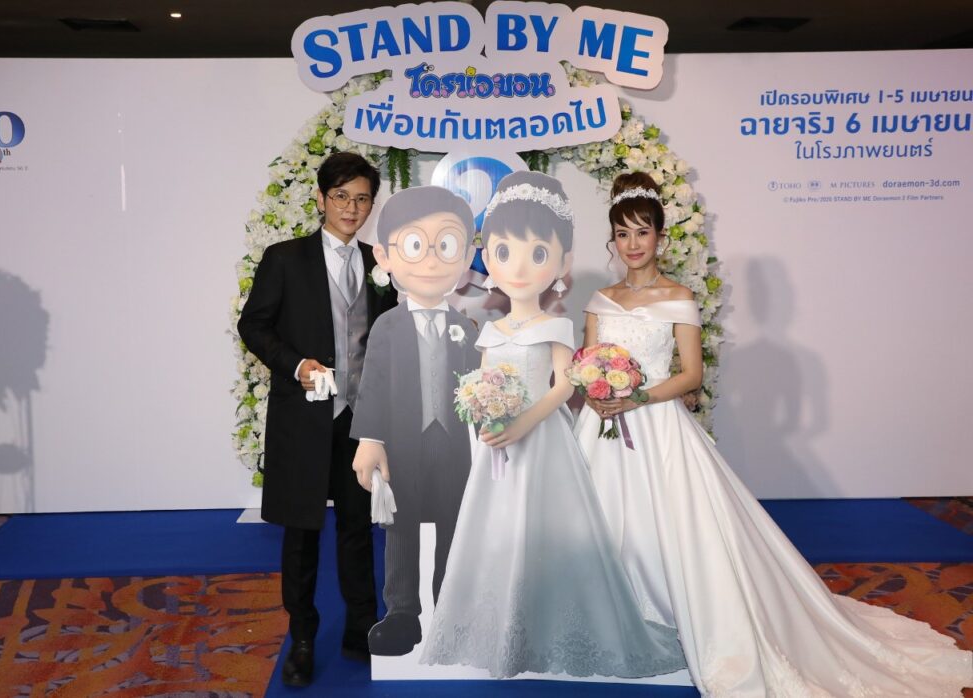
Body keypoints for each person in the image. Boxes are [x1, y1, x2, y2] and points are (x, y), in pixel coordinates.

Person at [574, 171, 973, 696]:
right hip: (603, 427)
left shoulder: (679, 297)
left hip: (656, 427)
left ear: (660, 236)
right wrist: (597, 395)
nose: (632, 244)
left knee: (672, 535)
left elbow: (690, 375)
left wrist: (638, 397)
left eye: (642, 232)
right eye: (622, 233)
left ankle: (674, 625)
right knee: (594, 526)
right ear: (612, 239)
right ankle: (611, 626)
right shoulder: (600, 300)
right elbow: (589, 363)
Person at [419, 171, 686, 680]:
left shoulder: (557, 324)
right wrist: (483, 415)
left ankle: (548, 625)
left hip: (542, 441)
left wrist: (523, 423)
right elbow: (478, 383)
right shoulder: (490, 330)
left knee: (548, 529)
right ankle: (500, 630)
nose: (519, 267)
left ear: (560, 262)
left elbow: (565, 385)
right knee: (497, 530)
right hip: (497, 448)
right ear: (489, 258)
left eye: (536, 254)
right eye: (504, 252)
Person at [237, 152, 397, 687]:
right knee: (302, 534)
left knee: (357, 529)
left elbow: (390, 333)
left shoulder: (380, 264)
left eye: (362, 199)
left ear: (371, 205)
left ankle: (360, 629)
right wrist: (296, 364)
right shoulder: (285, 258)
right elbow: (254, 325)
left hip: (360, 418)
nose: (351, 208)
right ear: (322, 198)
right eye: (341, 197)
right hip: (303, 419)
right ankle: (302, 637)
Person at [350, 186, 483, 656]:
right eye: (414, 245)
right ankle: (403, 611)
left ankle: (452, 605)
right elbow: (372, 384)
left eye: (444, 245)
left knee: (455, 522)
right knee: (399, 526)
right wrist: (370, 439)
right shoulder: (387, 326)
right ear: (386, 256)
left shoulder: (466, 327)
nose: (429, 260)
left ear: (465, 255)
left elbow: (479, 386)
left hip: (455, 444)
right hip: (402, 443)